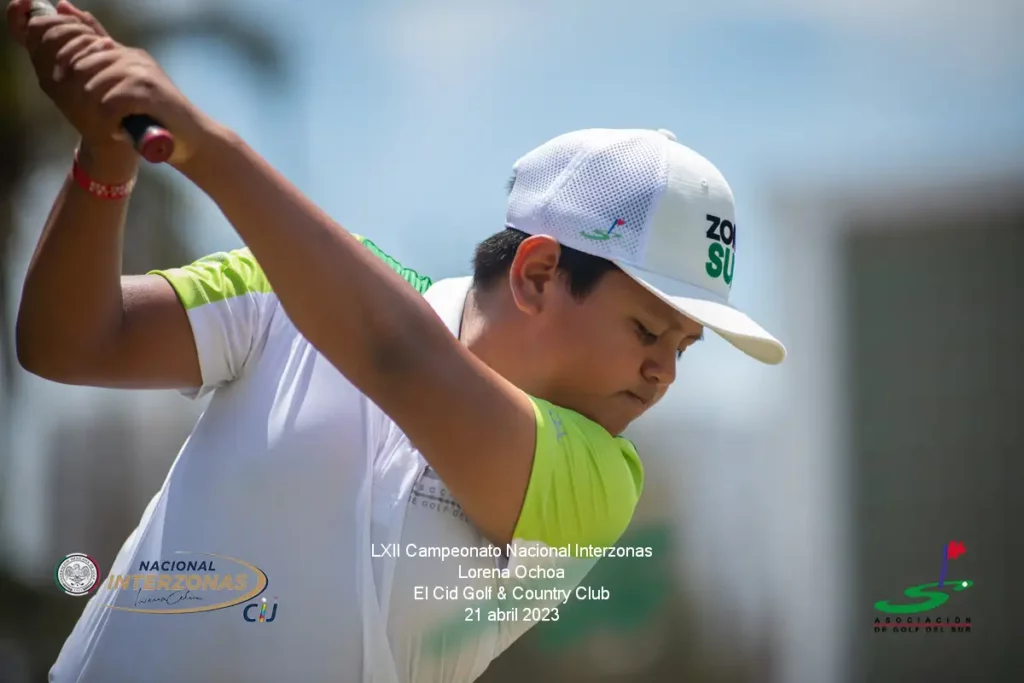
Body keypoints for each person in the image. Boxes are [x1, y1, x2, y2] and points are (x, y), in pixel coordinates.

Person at [8, 2, 786, 682]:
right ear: (539, 273)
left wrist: (204, 143)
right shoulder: (291, 284)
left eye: (685, 346)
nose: (664, 372)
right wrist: (104, 159)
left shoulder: (603, 480)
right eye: (649, 329)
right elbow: (66, 344)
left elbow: (396, 354)